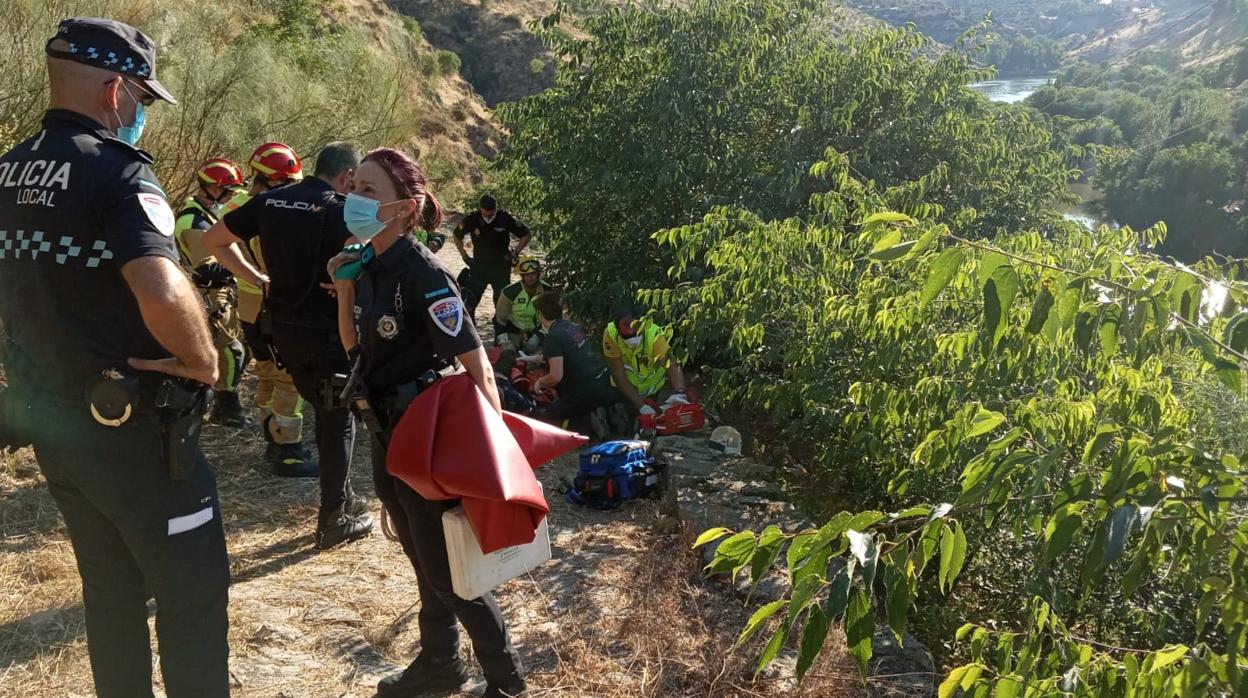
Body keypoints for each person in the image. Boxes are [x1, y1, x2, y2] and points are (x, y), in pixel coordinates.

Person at [0, 17, 229, 696]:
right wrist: (202, 360)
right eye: (142, 98)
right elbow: (158, 282)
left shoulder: (10, 169)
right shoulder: (119, 172)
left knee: (111, 597)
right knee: (191, 600)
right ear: (113, 91)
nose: (140, 112)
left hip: (58, 427)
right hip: (135, 433)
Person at [331, 148, 527, 698]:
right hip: (384, 430)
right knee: (421, 559)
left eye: (369, 190)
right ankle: (440, 663)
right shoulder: (366, 263)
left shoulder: (423, 272)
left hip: (427, 439)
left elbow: (478, 363)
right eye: (354, 186)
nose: (355, 198)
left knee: (447, 571)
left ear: (403, 207)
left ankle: (507, 682)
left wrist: (495, 460)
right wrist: (345, 289)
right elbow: (357, 356)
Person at [204, 141, 373, 549]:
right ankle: (334, 518)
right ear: (347, 176)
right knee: (337, 422)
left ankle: (344, 497)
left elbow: (215, 239)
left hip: (283, 330)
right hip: (329, 331)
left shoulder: (272, 201)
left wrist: (257, 276)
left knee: (320, 409)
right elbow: (377, 257)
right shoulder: (340, 208)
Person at [227, 142, 317, 477]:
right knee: (289, 379)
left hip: (248, 310)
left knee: (266, 374)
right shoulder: (275, 209)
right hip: (274, 309)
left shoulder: (237, 204)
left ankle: (270, 439)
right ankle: (289, 451)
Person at [173, 157, 250, 427]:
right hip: (208, 294)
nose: (229, 197)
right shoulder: (193, 221)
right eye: (227, 191)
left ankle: (219, 404)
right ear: (213, 189)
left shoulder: (204, 215)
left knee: (233, 349)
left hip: (217, 293)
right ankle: (226, 408)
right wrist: (244, 267)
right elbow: (206, 268)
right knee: (230, 351)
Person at [531, 291, 624, 436]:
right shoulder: (572, 326)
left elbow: (556, 376)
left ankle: (592, 420)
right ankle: (604, 410)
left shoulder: (553, 337)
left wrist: (540, 383)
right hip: (602, 380)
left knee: (545, 418)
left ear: (541, 314)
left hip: (582, 391)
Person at [453, 194, 531, 325]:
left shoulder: (505, 218)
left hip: (500, 266)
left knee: (502, 302)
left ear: (495, 208)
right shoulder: (472, 219)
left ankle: (501, 330)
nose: (488, 216)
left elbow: (526, 234)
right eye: (485, 214)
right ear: (480, 209)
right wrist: (464, 256)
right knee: (470, 299)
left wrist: (515, 253)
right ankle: (469, 328)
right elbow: (456, 235)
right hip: (479, 265)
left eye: (491, 214)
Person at [602, 303, 689, 415]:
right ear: (617, 326)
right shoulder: (611, 334)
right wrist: (641, 406)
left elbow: (671, 365)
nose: (630, 330)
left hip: (652, 389)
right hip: (625, 390)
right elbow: (618, 374)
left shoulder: (654, 335)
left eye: (634, 324)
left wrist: (680, 392)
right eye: (626, 324)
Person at [494, 255, 552, 353]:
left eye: (533, 273)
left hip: (538, 333)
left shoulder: (547, 291)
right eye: (527, 274)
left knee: (542, 356)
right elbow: (499, 320)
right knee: (507, 354)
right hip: (513, 332)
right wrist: (504, 341)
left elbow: (552, 319)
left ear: (538, 274)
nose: (530, 277)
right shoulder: (510, 292)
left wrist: (539, 335)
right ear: (522, 276)